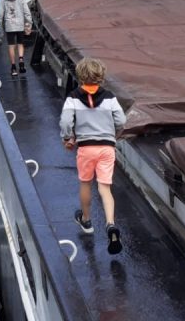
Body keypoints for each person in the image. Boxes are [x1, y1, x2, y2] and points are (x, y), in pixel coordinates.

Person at [59, 57, 127, 255]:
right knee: (105, 187)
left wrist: (68, 138)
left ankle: (86, 221)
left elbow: (65, 122)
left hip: (86, 148)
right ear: (101, 76)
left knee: (86, 183)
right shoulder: (110, 98)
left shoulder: (73, 98)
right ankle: (111, 224)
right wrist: (115, 136)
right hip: (107, 147)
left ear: (80, 76)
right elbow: (121, 120)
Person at [0, 0, 32, 76]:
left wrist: (0, 27)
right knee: (20, 43)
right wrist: (29, 23)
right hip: (20, 24)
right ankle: (21, 60)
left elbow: (0, 15)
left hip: (9, 26)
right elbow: (26, 12)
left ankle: (13, 68)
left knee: (11, 46)